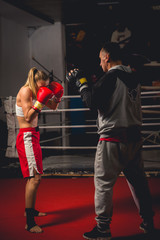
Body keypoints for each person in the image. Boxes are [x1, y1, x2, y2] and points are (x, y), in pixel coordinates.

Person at [66, 42, 155, 239]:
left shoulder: (111, 77)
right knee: (139, 183)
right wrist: (88, 84)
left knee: (104, 184)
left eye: (100, 59)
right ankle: (148, 222)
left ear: (106, 57)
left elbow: (91, 103)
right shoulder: (133, 76)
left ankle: (103, 228)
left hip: (112, 140)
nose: (100, 64)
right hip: (134, 140)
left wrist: (81, 83)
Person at [16, 67, 63, 233]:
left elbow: (53, 107)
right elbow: (28, 116)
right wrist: (41, 100)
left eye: (46, 86)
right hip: (27, 136)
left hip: (33, 136)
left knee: (36, 177)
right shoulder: (25, 91)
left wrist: (57, 96)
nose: (43, 89)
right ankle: (29, 222)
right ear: (35, 82)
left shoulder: (37, 92)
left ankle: (30, 210)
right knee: (34, 178)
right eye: (42, 86)